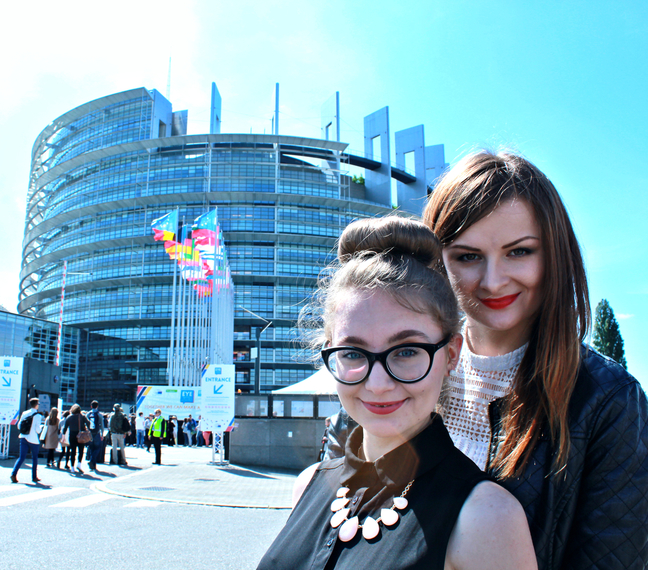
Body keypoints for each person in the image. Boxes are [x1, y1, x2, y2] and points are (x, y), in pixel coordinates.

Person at [257, 217, 536, 570]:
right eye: (353, 353)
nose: (377, 384)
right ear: (330, 353)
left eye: (406, 351)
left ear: (451, 354)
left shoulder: (486, 518)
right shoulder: (309, 484)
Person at [422, 150, 648, 569]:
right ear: (438, 263)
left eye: (519, 252)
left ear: (555, 254)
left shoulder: (609, 402)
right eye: (468, 256)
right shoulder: (403, 371)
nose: (493, 281)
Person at [11, 398, 43, 484]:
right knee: (34, 458)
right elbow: (38, 430)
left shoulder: (24, 413)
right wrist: (41, 428)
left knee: (21, 457)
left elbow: (19, 426)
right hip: (33, 439)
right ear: (36, 405)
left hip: (23, 437)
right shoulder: (38, 416)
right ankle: (34, 477)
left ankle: (14, 474)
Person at [63, 404, 89, 474]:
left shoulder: (69, 417)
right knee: (81, 451)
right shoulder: (82, 416)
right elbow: (88, 423)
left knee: (73, 452)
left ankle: (72, 467)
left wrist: (63, 436)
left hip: (72, 435)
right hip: (81, 436)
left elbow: (65, 428)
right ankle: (79, 464)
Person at [86, 400, 104, 472]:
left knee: (91, 448)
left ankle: (93, 465)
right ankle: (92, 461)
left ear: (91, 406)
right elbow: (102, 425)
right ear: (97, 406)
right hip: (97, 433)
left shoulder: (88, 414)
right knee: (97, 448)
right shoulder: (99, 414)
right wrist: (102, 434)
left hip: (90, 433)